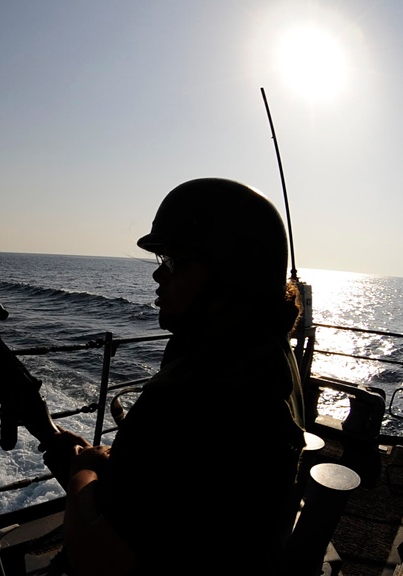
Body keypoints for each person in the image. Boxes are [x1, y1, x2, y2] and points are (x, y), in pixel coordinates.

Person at [40, 178, 306, 575]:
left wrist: (83, 471)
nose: (158, 276)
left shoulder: (197, 395)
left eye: (176, 262)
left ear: (230, 276)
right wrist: (106, 463)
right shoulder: (266, 356)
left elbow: (95, 559)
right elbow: (185, 490)